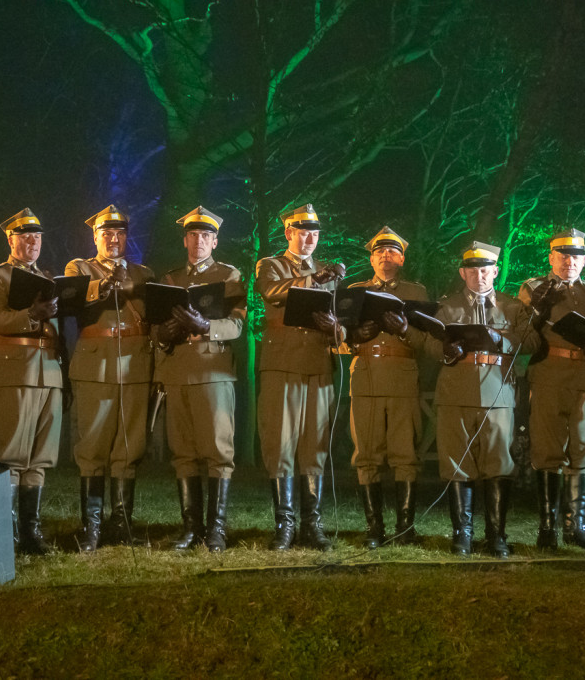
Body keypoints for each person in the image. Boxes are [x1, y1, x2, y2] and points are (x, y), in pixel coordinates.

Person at [432, 241, 538, 558]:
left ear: (495, 271)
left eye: (486, 269)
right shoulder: (446, 306)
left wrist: (501, 339)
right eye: (473, 270)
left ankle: (496, 535)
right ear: (463, 273)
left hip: (498, 390)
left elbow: (532, 340)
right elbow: (426, 341)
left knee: (498, 463)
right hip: (456, 389)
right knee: (457, 463)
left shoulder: (513, 307)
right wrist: (442, 350)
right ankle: (462, 534)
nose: (480, 275)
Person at [154, 206, 246, 552]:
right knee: (183, 451)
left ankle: (216, 530)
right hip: (178, 370)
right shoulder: (170, 279)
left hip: (213, 370)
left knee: (218, 450)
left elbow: (238, 324)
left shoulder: (229, 275)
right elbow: (156, 330)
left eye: (205, 236)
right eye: (193, 236)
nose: (199, 241)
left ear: (215, 241)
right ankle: (191, 528)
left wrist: (206, 326)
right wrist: (164, 333)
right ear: (185, 240)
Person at [255, 204, 346, 551]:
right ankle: (285, 525)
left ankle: (313, 524)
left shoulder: (329, 272)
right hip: (282, 363)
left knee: (314, 444)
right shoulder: (271, 264)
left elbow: (342, 315)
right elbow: (272, 292)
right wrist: (312, 280)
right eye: (302, 232)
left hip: (318, 364)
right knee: (280, 443)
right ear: (289, 233)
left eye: (315, 233)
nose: (309, 238)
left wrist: (337, 328)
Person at [518, 228, 585, 551]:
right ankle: (547, 528)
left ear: (584, 260)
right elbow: (522, 335)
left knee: (583, 451)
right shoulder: (534, 288)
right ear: (551, 258)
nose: (569, 262)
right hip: (548, 375)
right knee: (547, 450)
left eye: (575, 256)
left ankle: (577, 526)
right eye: (562, 255)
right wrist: (536, 311)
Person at [66, 204, 155, 549]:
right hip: (95, 364)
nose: (114, 240)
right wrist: (105, 286)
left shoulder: (144, 273)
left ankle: (122, 522)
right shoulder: (80, 267)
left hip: (135, 364)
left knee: (130, 445)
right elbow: (74, 299)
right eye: (107, 234)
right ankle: (91, 525)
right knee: (92, 444)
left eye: (119, 234)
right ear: (95, 237)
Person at [0, 208, 63, 555]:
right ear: (10, 240)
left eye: (38, 237)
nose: (32, 241)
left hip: (49, 368)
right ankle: (8, 533)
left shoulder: (46, 276)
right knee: (13, 453)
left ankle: (31, 533)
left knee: (40, 456)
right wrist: (32, 314)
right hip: (16, 367)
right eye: (25, 236)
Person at [345, 226, 429, 548]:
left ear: (402, 258)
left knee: (404, 452)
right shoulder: (355, 290)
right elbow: (341, 336)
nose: (385, 256)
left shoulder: (416, 292)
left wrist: (406, 330)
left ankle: (405, 528)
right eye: (379, 252)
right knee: (366, 453)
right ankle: (374, 528)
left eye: (392, 252)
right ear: (371, 258)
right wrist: (355, 336)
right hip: (364, 373)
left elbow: (427, 339)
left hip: (401, 374)